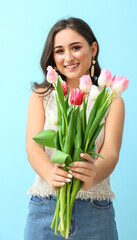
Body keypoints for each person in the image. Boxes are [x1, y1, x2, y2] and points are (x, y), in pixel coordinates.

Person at [24, 17, 125, 240]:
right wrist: (50, 173)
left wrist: (94, 174)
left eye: (76, 47)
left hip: (95, 212)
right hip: (45, 208)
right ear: (52, 57)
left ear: (93, 48)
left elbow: (111, 153)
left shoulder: (111, 100)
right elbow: (33, 147)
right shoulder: (42, 97)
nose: (68, 57)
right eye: (59, 51)